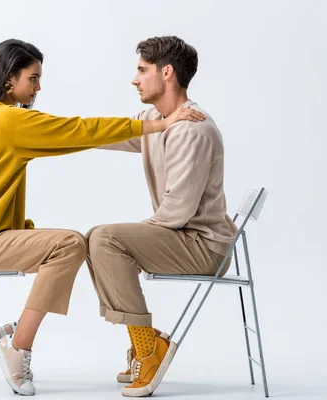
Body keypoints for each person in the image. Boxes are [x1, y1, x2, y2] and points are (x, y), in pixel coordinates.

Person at [0, 38, 203, 396]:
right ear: (8, 80)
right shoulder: (7, 119)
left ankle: (19, 336)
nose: (39, 86)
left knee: (71, 243)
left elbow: (77, 134)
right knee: (68, 244)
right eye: (33, 78)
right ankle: (18, 347)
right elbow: (76, 130)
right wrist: (156, 126)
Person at [86, 36, 238, 397]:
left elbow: (178, 210)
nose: (134, 79)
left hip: (203, 247)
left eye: (142, 70)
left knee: (106, 238)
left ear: (166, 72)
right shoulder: (158, 119)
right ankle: (147, 344)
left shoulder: (193, 129)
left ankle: (149, 350)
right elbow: (118, 133)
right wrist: (58, 132)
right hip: (180, 236)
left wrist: (137, 243)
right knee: (97, 238)